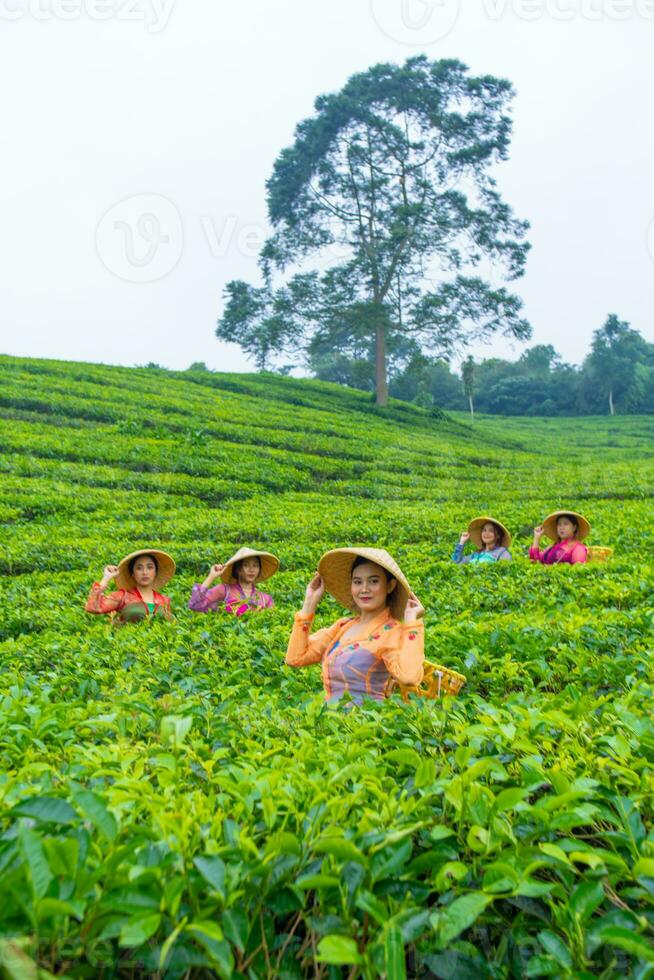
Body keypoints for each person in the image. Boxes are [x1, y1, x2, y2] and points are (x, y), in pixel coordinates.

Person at [285, 547, 425, 705]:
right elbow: (295, 658)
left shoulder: (392, 631)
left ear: (390, 586)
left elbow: (409, 678)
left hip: (366, 722)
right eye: (357, 582)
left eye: (374, 581)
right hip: (330, 721)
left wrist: (412, 621)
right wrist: (309, 604)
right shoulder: (343, 626)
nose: (364, 589)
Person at [85, 549, 175, 623]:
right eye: (139, 568)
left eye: (150, 567)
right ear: (132, 573)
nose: (145, 572)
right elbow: (93, 608)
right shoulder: (123, 596)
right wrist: (106, 578)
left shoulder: (164, 600)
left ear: (155, 572)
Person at [188, 547, 278, 616]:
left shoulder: (265, 599)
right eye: (246, 565)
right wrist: (211, 577)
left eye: (255, 565)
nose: (251, 570)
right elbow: (196, 605)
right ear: (238, 569)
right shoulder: (224, 590)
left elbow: (272, 621)